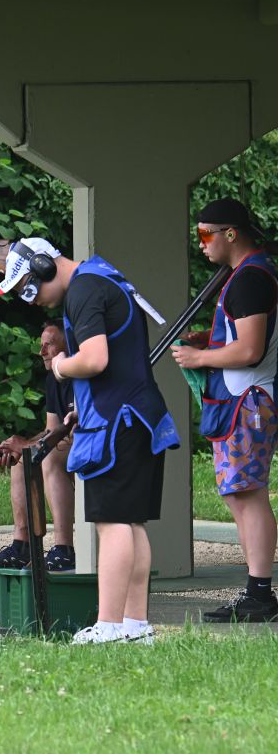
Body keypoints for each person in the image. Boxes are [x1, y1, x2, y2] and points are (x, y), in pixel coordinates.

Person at [0, 237, 180, 644]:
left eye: (28, 287)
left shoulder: (84, 290)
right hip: (134, 417)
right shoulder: (101, 280)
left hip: (117, 423)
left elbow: (95, 358)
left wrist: (61, 367)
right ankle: (135, 626)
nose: (30, 299)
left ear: (44, 267)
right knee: (131, 523)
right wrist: (86, 404)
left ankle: (109, 625)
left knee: (113, 523)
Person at [170, 198, 278, 623]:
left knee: (248, 494)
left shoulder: (250, 278)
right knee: (240, 493)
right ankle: (256, 592)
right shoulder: (248, 274)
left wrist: (200, 357)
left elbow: (250, 350)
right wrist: (210, 341)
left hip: (247, 400)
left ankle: (260, 594)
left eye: (205, 234)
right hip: (245, 399)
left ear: (231, 234)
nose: (201, 243)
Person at [0, 320, 76, 572]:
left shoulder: (80, 374)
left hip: (89, 442)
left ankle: (64, 550)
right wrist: (22, 445)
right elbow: (51, 429)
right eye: (41, 345)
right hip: (68, 441)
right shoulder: (53, 378)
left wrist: (32, 443)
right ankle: (22, 545)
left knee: (49, 458)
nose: (41, 351)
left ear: (69, 345)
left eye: (49, 345)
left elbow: (72, 431)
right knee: (22, 458)